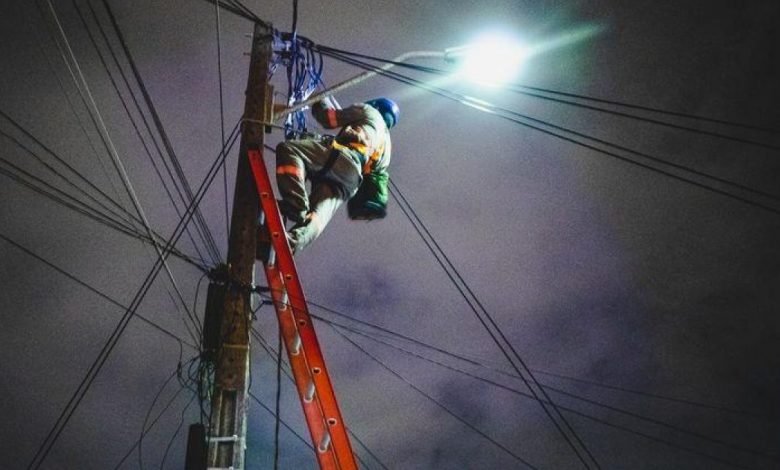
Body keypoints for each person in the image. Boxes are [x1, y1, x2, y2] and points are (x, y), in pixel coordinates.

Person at [271, 96, 399, 254]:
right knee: (318, 214)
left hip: (341, 158)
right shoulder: (387, 147)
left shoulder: (370, 111)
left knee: (289, 150)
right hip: (351, 180)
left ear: (376, 105)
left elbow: (329, 119)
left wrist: (318, 100)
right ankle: (293, 242)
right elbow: (374, 173)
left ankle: (295, 204)